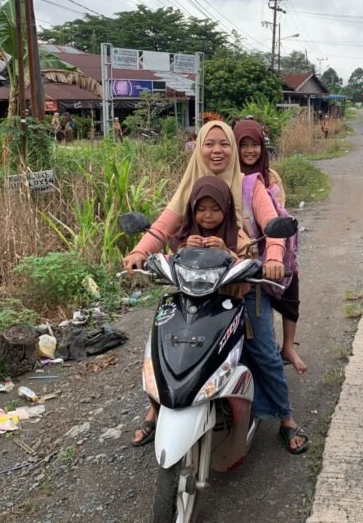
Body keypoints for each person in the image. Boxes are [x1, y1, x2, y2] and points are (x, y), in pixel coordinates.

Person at [123, 121, 309, 454]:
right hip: (193, 286)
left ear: (233, 149)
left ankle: (286, 417)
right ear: (199, 148)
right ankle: (158, 409)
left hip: (242, 284)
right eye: (209, 144)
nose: (217, 150)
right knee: (164, 347)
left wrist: (274, 256)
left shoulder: (251, 186)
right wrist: (139, 252)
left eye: (224, 144)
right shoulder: (191, 187)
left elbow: (272, 228)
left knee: (264, 352)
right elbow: (163, 227)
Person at [132, 175, 250, 446]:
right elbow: (166, 261)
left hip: (225, 310)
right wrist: (180, 251)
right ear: (192, 209)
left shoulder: (237, 235)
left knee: (261, 358)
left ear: (227, 209)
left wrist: (228, 253)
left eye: (215, 208)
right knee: (159, 358)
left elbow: (250, 268)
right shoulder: (183, 236)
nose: (208, 216)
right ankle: (156, 410)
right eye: (201, 208)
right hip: (187, 311)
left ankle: (280, 414)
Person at [234, 119, 307, 374]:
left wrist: (273, 252)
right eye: (243, 146)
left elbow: (277, 214)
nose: (249, 151)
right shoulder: (229, 175)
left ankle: (288, 346)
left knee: (290, 284)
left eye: (254, 145)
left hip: (270, 243)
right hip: (238, 247)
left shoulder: (271, 176)